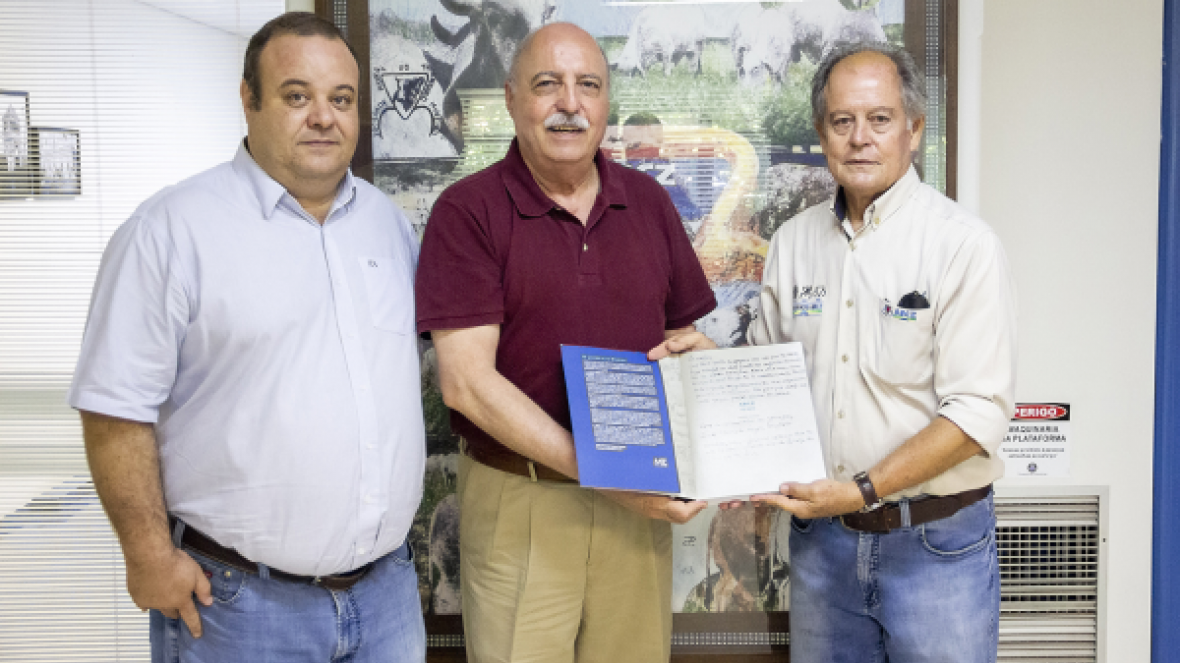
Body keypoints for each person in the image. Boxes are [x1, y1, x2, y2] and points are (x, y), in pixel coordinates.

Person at [67, 12, 426, 662]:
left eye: (341, 99)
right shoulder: (170, 232)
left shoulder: (386, 225)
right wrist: (148, 554)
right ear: (248, 100)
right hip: (238, 610)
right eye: (297, 96)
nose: (324, 116)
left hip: (387, 599)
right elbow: (113, 406)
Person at [415, 22, 717, 663]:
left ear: (606, 101)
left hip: (637, 509)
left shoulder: (650, 203)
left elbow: (682, 342)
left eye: (588, 85)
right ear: (510, 97)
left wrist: (707, 369)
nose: (569, 104)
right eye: (547, 85)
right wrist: (601, 473)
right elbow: (465, 383)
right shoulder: (467, 212)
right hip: (522, 502)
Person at [743, 42, 1017, 662]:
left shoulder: (963, 246)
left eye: (880, 119)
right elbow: (765, 379)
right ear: (822, 133)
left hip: (935, 546)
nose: (859, 138)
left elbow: (977, 416)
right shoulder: (792, 243)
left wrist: (861, 490)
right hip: (822, 549)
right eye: (843, 121)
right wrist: (706, 364)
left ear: (914, 130)